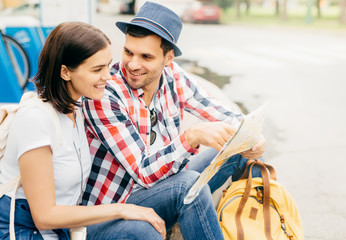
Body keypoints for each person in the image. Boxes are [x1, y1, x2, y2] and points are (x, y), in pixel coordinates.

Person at [81, 1, 266, 239]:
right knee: (187, 184)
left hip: (164, 186)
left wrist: (253, 137)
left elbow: (222, 113)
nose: (133, 64)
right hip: (114, 208)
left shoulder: (174, 77)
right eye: (129, 52)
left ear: (168, 58)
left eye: (146, 56)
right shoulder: (106, 93)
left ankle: (258, 230)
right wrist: (193, 136)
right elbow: (144, 172)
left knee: (242, 149)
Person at [0, 22, 168, 240]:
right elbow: (44, 215)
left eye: (108, 65)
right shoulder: (37, 118)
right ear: (65, 72)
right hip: (23, 231)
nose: (108, 76)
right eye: (97, 69)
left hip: (63, 232)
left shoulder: (76, 110)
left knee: (143, 227)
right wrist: (120, 209)